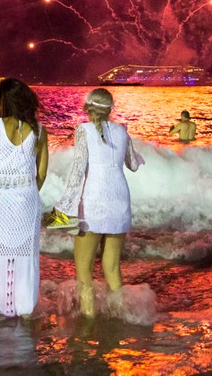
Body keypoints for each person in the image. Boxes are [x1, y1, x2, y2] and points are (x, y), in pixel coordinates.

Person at [49, 88, 143, 318]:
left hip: (94, 200)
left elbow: (77, 171)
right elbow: (133, 164)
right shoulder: (122, 131)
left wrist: (63, 208)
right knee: (112, 268)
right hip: (119, 200)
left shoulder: (83, 130)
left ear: (88, 108)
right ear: (110, 109)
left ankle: (89, 321)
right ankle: (123, 317)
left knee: (84, 271)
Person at [0, 78, 49, 318]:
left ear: (5, 101)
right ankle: (25, 311)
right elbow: (41, 174)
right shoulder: (39, 131)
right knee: (25, 255)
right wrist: (26, 192)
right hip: (26, 199)